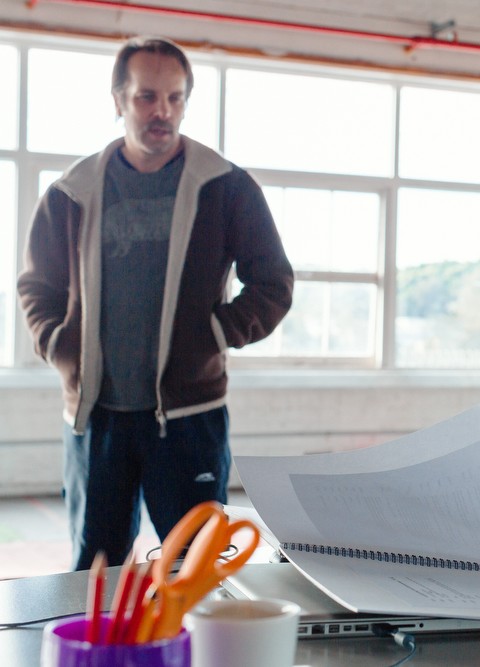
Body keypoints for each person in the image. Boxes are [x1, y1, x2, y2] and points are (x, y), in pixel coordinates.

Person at [17, 36, 294, 571]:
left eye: (175, 98)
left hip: (189, 420)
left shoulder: (226, 187)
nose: (161, 111)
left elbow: (273, 282)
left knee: (195, 571)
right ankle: (102, 657)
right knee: (94, 571)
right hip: (96, 420)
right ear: (118, 99)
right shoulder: (70, 193)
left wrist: (214, 335)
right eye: (146, 97)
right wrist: (58, 343)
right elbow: (36, 287)